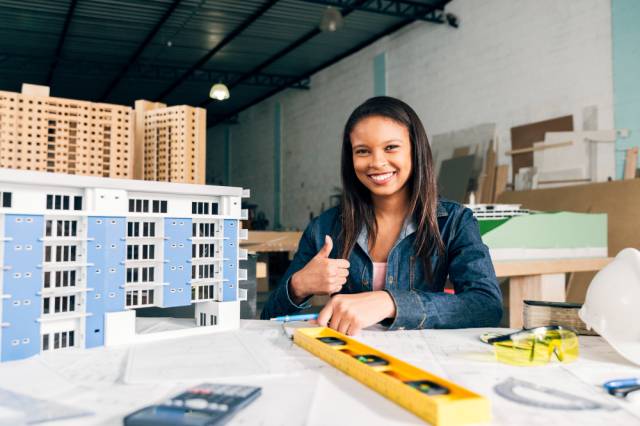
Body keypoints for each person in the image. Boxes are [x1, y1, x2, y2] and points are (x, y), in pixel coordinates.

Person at [260, 96, 503, 335]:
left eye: (391, 147)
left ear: (415, 150)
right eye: (363, 151)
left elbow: (486, 305)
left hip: (421, 360)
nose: (377, 162)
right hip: (344, 358)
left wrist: (390, 302)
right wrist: (298, 286)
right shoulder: (324, 227)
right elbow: (267, 319)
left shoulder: (454, 221)